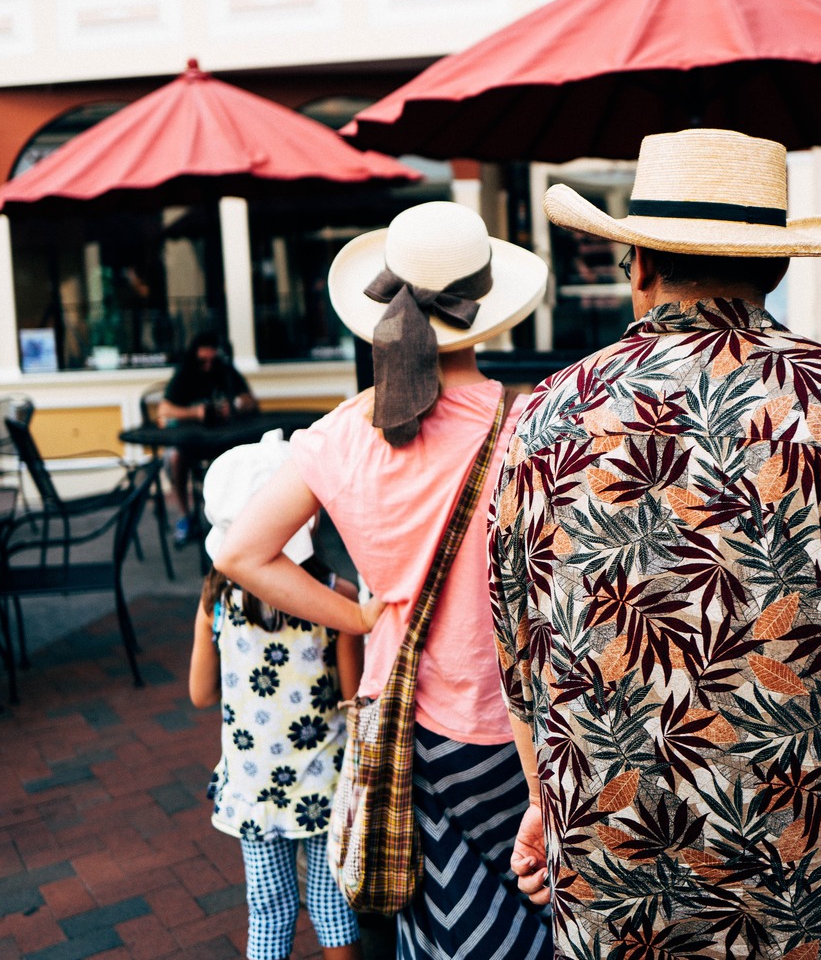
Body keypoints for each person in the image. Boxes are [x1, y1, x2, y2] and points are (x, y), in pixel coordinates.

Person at [488, 129, 821, 960]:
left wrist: (550, 807)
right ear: (776, 265)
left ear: (641, 266)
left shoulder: (544, 420)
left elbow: (523, 665)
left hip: (624, 892)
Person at [216, 200, 553, 960]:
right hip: (517, 725)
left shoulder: (338, 434)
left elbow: (241, 553)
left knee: (435, 916)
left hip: (403, 718)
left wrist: (364, 620)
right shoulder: (530, 423)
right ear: (488, 311)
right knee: (531, 904)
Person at [188, 433, 364, 960]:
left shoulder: (215, 600)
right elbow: (352, 696)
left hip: (254, 785)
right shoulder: (339, 597)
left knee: (267, 913)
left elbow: (200, 694)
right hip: (323, 779)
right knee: (333, 908)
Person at [159, 331, 256, 542]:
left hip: (223, 441)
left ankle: (237, 518)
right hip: (189, 442)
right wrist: (195, 413)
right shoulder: (184, 376)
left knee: (245, 457)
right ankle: (185, 515)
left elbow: (249, 400)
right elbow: (164, 411)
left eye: (213, 360)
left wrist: (235, 406)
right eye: (203, 361)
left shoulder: (226, 372)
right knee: (174, 458)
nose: (208, 366)